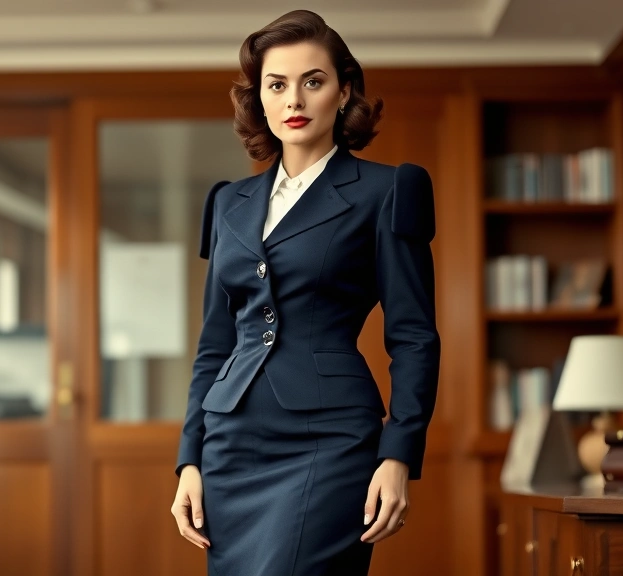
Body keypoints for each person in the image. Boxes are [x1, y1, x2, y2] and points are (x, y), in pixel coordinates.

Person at [170, 9, 440, 575]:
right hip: (230, 442)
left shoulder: (388, 190)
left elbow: (414, 337)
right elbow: (214, 344)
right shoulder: (228, 203)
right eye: (277, 84)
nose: (294, 99)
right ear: (260, 101)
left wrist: (398, 454)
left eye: (312, 81)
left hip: (331, 440)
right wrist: (188, 460)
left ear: (343, 92)